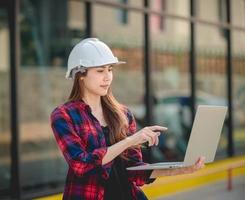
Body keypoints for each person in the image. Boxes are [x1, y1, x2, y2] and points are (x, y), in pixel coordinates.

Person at [50, 38, 205, 200]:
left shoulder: (123, 114)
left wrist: (182, 169)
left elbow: (135, 171)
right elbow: (81, 165)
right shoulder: (63, 115)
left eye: (110, 70)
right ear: (81, 74)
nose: (107, 77)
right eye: (100, 71)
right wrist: (131, 140)